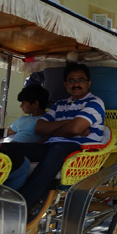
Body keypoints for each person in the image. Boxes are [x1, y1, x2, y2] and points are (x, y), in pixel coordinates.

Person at [0, 63, 105, 228]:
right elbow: (40, 128)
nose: (76, 84)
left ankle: (23, 205)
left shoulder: (94, 103)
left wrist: (58, 130)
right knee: (9, 148)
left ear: (88, 84)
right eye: (71, 81)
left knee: (57, 150)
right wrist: (68, 123)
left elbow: (73, 130)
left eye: (80, 80)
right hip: (51, 145)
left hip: (78, 149)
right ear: (65, 84)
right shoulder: (60, 104)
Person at [1, 84, 49, 190]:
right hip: (11, 149)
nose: (20, 106)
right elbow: (6, 131)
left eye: (23, 103)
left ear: (35, 103)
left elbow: (46, 140)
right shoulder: (22, 119)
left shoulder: (47, 120)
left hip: (26, 151)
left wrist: (25, 146)